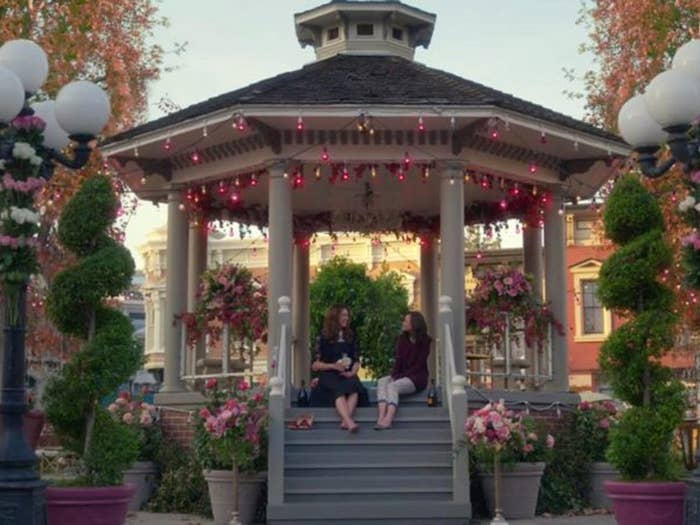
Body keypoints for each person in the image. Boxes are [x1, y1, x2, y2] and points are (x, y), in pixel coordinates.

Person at [375, 311, 431, 430]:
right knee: (382, 381)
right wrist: (394, 376)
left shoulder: (425, 341)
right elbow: (398, 360)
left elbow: (419, 365)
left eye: (406, 320)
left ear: (414, 323)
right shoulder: (402, 339)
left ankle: (388, 420)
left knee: (392, 387)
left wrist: (398, 378)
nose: (403, 323)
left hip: (417, 378)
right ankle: (381, 417)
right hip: (402, 375)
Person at [311, 305, 362, 432]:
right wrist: (333, 366)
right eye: (343, 315)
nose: (347, 318)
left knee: (354, 386)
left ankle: (345, 421)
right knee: (338, 388)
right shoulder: (322, 336)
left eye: (347, 315)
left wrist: (352, 372)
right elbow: (315, 365)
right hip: (328, 374)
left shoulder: (351, 335)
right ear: (335, 317)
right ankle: (349, 421)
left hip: (347, 374)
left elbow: (356, 360)